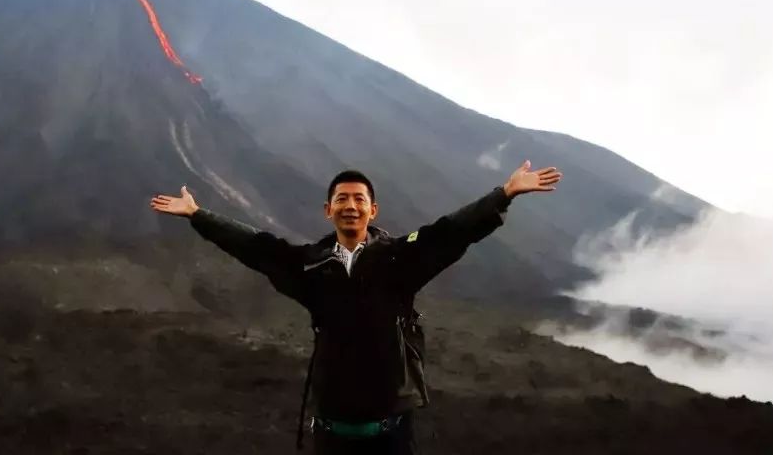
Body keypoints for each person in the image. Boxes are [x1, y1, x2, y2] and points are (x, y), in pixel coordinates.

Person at [149, 160, 562, 453]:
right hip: (332, 435)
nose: (351, 205)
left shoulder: (399, 261)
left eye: (359, 199)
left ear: (372, 210)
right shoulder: (310, 267)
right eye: (342, 199)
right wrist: (198, 215)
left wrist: (504, 194)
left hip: (392, 434)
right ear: (328, 210)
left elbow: (450, 233)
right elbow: (255, 247)